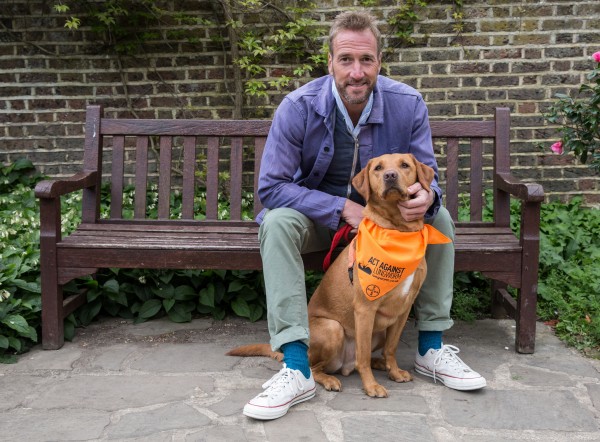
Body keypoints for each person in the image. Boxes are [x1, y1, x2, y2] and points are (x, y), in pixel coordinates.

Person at [243, 9, 486, 421]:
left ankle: (430, 346)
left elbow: (429, 177)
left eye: (366, 60)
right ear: (330, 62)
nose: (357, 72)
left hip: (386, 223)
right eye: (346, 60)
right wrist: (342, 207)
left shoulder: (407, 104)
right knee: (277, 222)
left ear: (378, 61)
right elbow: (272, 187)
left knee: (439, 221)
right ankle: (298, 364)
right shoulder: (298, 107)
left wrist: (425, 199)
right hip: (317, 220)